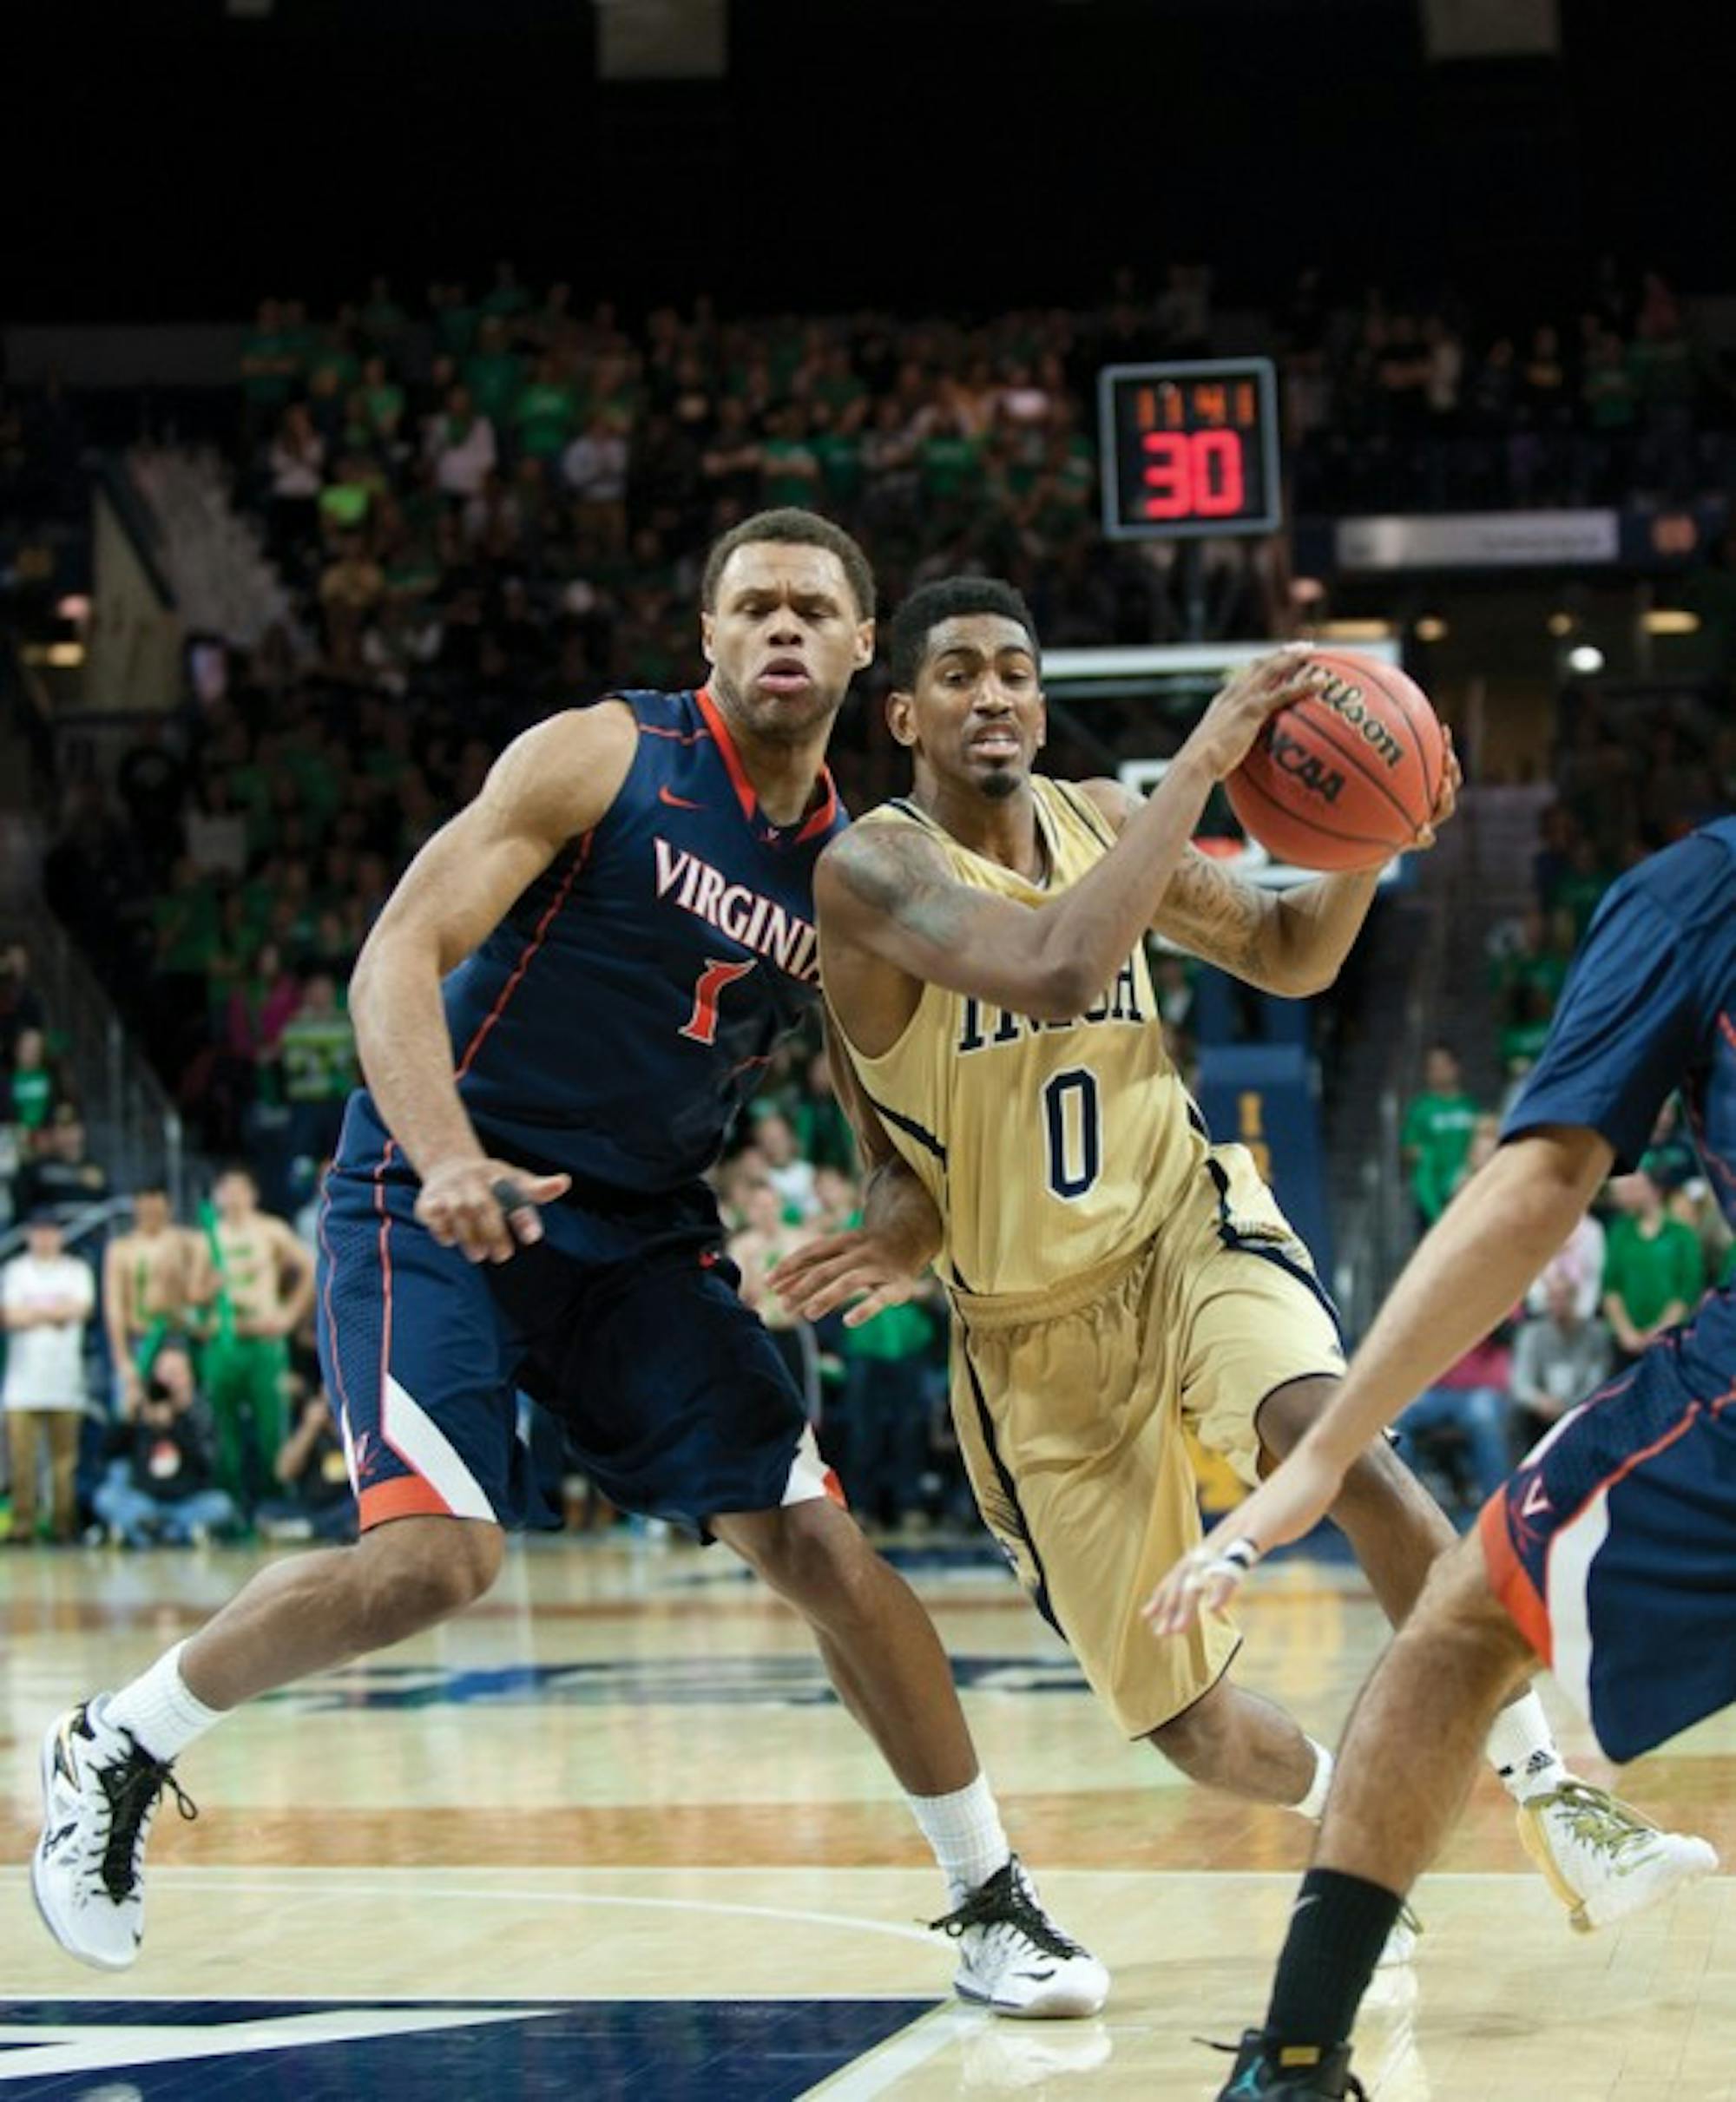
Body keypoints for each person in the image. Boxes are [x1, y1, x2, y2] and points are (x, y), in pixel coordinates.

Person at [32, 509, 1104, 2019]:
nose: (782, 629)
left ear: (866, 649)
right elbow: (395, 955)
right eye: (754, 607)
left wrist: (902, 1216)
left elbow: (882, 1095)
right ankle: (120, 1741)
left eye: (813, 608)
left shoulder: (859, 866)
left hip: (640, 1239)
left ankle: (990, 1896)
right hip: (435, 1189)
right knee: (435, 1560)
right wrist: (452, 1149)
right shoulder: (604, 755)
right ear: (711, 638)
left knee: (826, 1550)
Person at [773, 575, 1707, 1967]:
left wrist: (1369, 846)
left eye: (1017, 669)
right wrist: (1205, 760)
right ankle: (1357, 1818)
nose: (995, 695)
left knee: (1334, 1438)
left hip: (1185, 1226)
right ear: (903, 713)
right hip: (1029, 1334)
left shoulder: (1099, 810)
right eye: (960, 674)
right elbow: (1049, 963)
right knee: (1190, 1724)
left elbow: (1285, 954)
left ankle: (1555, 1794)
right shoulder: (874, 870)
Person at [1146, 817, 1735, 2099]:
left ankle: (1294, 2063)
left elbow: (1539, 1186)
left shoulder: (1697, 891)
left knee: (1457, 1632)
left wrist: (1323, 1454)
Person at [187, 1165, 316, 1511]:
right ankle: (229, 1507)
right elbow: (193, 1294)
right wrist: (207, 1290)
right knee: (222, 1426)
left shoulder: (271, 1230)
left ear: (253, 1194)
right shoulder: (207, 1238)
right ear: (218, 1197)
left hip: (264, 1342)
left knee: (271, 1426)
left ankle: (274, 1505)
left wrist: (289, 1316)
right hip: (223, 1342)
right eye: (226, 1190)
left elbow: (310, 1269)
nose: (233, 1197)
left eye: (240, 1189)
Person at [2, 1212, 95, 1543]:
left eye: (50, 1232)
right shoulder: (15, 1271)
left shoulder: (75, 1270)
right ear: (29, 1236)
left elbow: (82, 1308)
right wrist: (56, 1313)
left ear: (60, 1236)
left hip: (65, 1381)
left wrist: (33, 1313)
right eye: (38, 1232)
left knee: (64, 1462)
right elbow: (9, 1315)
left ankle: (62, 1526)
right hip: (22, 1383)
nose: (44, 1239)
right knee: (22, 1461)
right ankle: (23, 1525)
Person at [92, 1345, 237, 1549]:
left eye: (177, 1374)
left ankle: (151, 1533)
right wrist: (128, 1418)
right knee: (106, 1497)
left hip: (185, 1501)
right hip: (144, 1500)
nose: (170, 1382)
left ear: (190, 1378)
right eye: (165, 1374)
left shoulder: (200, 1413)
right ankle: (177, 1534)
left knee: (221, 1505)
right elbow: (106, 1454)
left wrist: (179, 1423)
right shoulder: (142, 1410)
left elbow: (208, 1465)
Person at [102, 1185, 201, 1417]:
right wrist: (122, 1359)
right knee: (133, 1410)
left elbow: (202, 1288)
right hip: (139, 1337)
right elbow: (114, 1306)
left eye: (156, 1208)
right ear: (136, 1208)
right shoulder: (121, 1249)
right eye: (145, 1208)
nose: (150, 1214)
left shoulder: (187, 1242)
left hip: (177, 1337)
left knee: (183, 1410)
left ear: (168, 1208)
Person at [1509, 1267, 1614, 1451]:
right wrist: (1540, 1401)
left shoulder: (1595, 1333)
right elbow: (1520, 1384)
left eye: (1563, 1297)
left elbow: (1596, 1381)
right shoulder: (1531, 1334)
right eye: (1553, 1298)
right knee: (1514, 1418)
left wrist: (1567, 1408)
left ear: (1574, 1298)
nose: (1557, 1304)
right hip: (1539, 1414)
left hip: (1578, 1411)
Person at [1399, 1041, 1479, 1232]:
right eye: (1433, 1068)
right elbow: (1408, 1149)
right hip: (1433, 1198)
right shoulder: (1421, 1108)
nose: (1439, 1072)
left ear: (1455, 1067)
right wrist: (1421, 1155)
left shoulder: (1470, 1106)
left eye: (1443, 1066)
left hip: (1465, 1192)